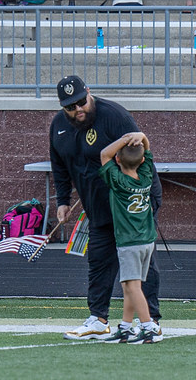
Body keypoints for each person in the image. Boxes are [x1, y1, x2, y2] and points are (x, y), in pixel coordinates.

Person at [50, 75, 161, 340]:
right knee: (99, 259)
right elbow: (59, 165)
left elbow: (141, 154)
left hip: (130, 204)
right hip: (97, 204)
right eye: (71, 106)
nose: (78, 109)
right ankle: (99, 319)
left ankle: (151, 321)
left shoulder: (114, 115)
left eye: (81, 102)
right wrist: (63, 201)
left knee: (139, 262)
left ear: (89, 92)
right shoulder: (58, 126)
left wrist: (143, 202)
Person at [97, 132, 161, 344]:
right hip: (146, 240)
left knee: (132, 286)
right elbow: (147, 150)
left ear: (117, 159)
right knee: (129, 286)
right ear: (142, 161)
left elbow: (104, 154)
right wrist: (141, 136)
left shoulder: (118, 181)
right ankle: (125, 327)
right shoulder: (146, 175)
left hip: (130, 243)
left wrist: (125, 140)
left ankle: (149, 327)